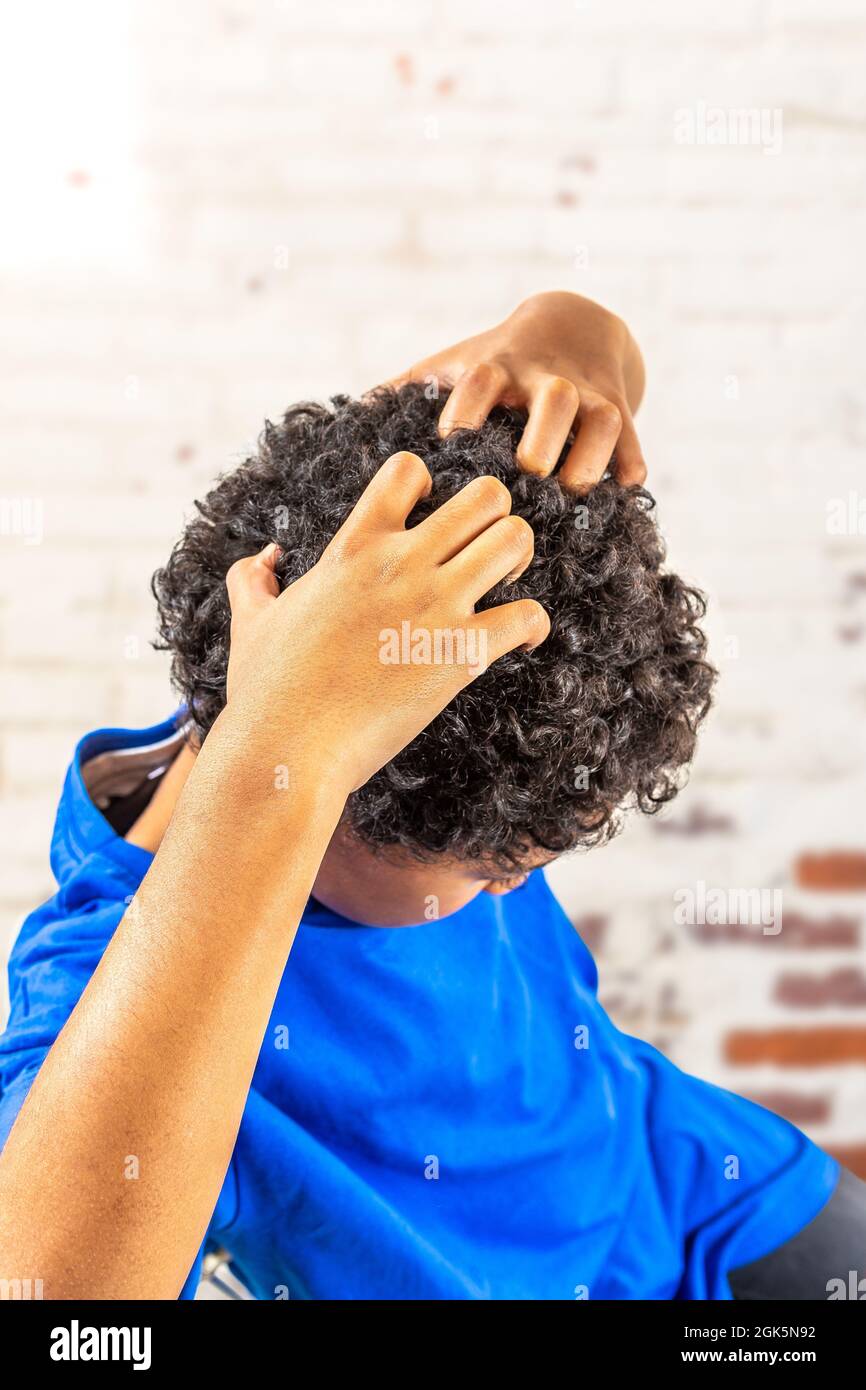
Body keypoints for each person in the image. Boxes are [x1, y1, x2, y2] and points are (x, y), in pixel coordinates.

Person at [0, 293, 862, 1301]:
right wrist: (284, 751)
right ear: (321, 793)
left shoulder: (304, 605)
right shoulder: (109, 998)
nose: (517, 886)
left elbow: (465, 409)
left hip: (691, 1188)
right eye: (494, 864)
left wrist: (572, 332)